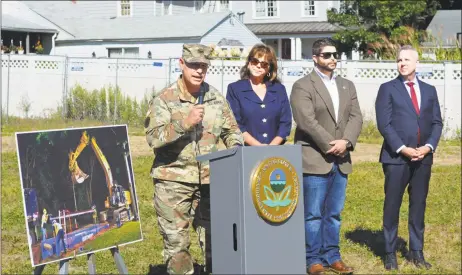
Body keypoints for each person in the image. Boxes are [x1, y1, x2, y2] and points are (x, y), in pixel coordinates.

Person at [144, 43, 243, 274]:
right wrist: (184, 123)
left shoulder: (214, 97)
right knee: (177, 247)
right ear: (181, 64)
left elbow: (231, 131)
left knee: (216, 242)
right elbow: (153, 138)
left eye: (203, 66)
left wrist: (236, 150)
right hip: (173, 183)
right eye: (193, 65)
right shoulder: (164, 99)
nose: (199, 71)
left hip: (210, 182)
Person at [290, 38, 363, 275]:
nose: (333, 58)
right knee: (312, 214)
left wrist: (347, 142)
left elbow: (356, 117)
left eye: (335, 54)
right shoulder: (303, 86)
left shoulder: (347, 85)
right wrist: (331, 145)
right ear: (315, 58)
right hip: (314, 158)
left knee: (333, 213)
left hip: (341, 160)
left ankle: (333, 256)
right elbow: (306, 121)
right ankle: (312, 259)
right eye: (327, 55)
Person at [375, 45, 442, 271]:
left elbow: (436, 123)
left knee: (418, 205)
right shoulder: (388, 89)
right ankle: (389, 253)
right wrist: (402, 148)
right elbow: (384, 124)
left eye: (406, 59)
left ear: (417, 63)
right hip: (396, 158)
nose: (402, 63)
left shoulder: (430, 90)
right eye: (399, 60)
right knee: (392, 205)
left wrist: (429, 147)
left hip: (423, 158)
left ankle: (416, 251)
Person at [226, 43, 292, 146]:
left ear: (269, 68)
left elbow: (285, 123)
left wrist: (271, 146)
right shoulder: (235, 89)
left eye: (264, 64)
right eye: (255, 61)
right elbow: (235, 124)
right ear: (249, 63)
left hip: (275, 152)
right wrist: (259, 147)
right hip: (246, 151)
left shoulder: (279, 89)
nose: (258, 66)